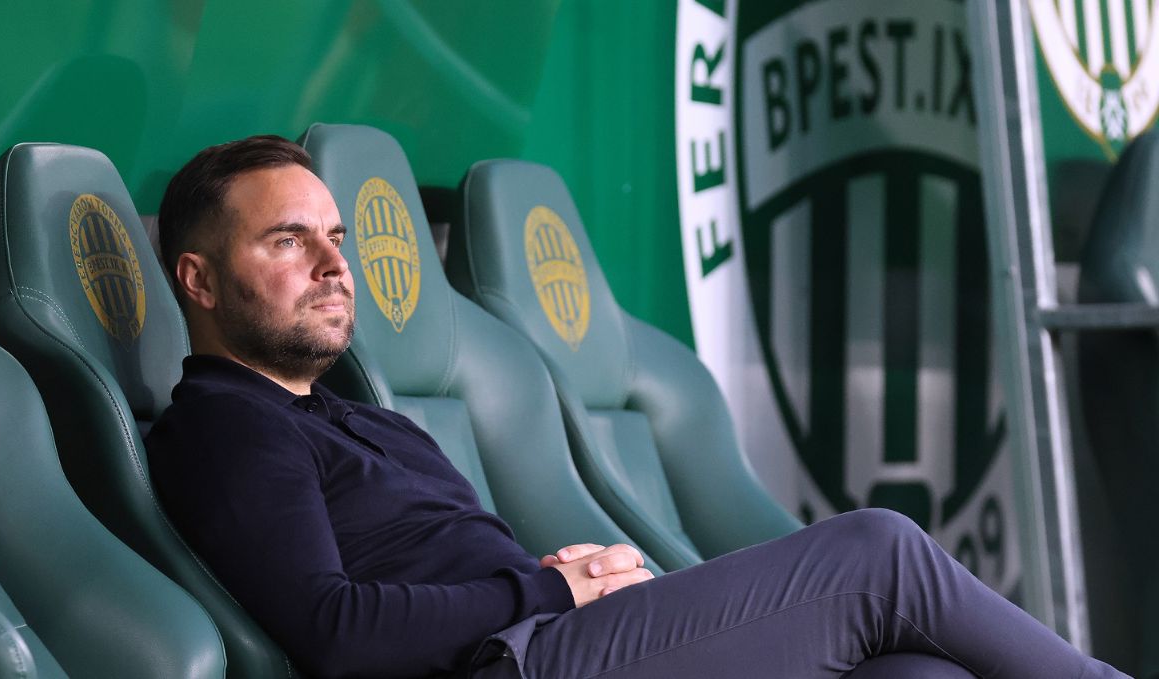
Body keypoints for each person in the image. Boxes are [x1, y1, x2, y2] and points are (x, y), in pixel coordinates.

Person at [146, 134, 1128, 679]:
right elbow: (332, 631)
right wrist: (549, 593)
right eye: (287, 241)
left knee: (914, 676)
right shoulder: (229, 423)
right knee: (877, 550)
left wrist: (552, 577)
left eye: (337, 237)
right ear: (198, 279)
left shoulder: (354, 416)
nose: (333, 264)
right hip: (517, 662)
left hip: (544, 636)